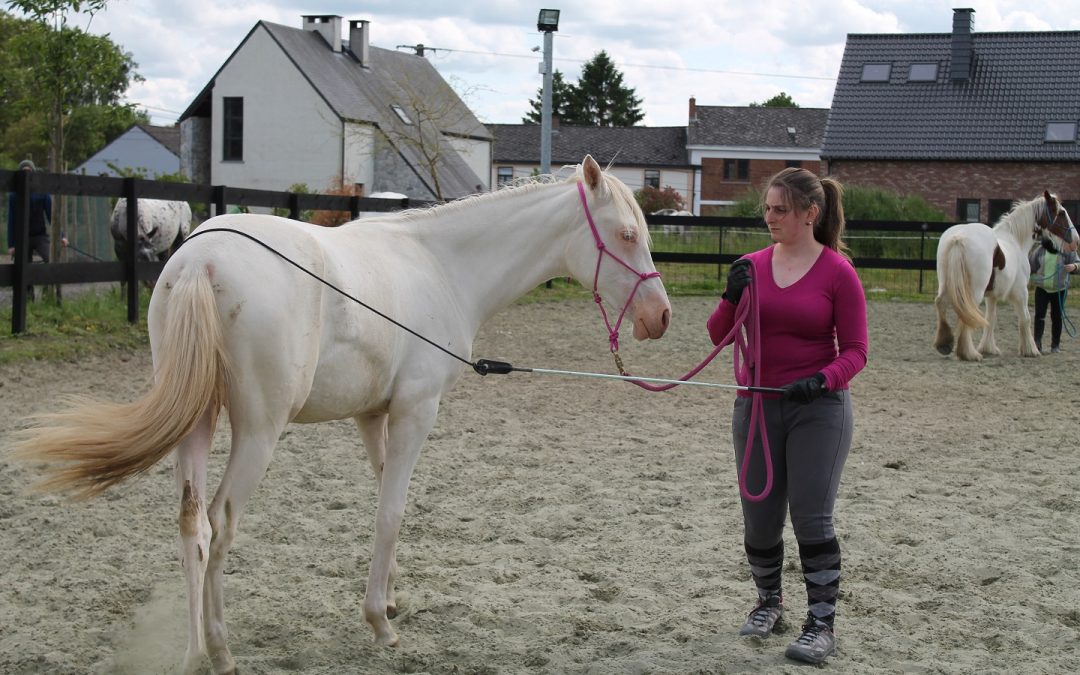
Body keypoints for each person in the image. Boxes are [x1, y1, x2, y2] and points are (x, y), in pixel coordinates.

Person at [706, 167, 868, 665]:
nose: (769, 217)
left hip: (817, 410)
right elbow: (718, 336)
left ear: (809, 214)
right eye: (767, 208)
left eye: (780, 209)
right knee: (759, 521)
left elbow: (858, 351)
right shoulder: (752, 266)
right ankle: (768, 603)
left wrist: (822, 380)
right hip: (756, 405)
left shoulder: (838, 271)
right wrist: (732, 295)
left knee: (811, 519)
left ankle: (821, 623)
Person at [7, 159, 65, 300]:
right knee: (23, 266)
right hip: (22, 236)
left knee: (49, 260)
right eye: (23, 172)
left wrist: (61, 236)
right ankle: (28, 296)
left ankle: (47, 293)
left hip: (39, 235)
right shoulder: (14, 196)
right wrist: (11, 244)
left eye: (29, 171)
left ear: (33, 173)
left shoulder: (42, 193)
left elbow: (52, 216)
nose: (26, 175)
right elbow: (11, 221)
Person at [1029, 235, 1079, 354]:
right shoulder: (1040, 249)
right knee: (1039, 315)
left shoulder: (1066, 250)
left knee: (1057, 317)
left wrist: (1074, 266)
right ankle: (1037, 342)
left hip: (1059, 290)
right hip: (1042, 289)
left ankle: (1055, 345)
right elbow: (1030, 265)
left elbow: (1078, 262)